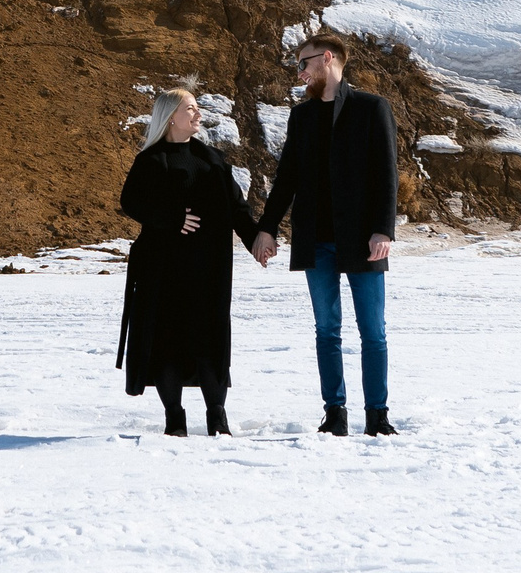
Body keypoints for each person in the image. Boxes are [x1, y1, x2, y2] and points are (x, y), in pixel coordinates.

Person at [252, 31, 398, 437]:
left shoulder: (372, 107)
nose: (299, 72)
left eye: (304, 63)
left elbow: (387, 173)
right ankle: (335, 412)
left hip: (363, 238)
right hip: (315, 239)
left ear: (327, 58)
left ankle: (377, 415)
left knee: (373, 331)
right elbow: (286, 178)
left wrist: (383, 230)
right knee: (327, 330)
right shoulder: (302, 116)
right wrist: (267, 228)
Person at [117, 88, 262, 436]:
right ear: (170, 117)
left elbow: (237, 207)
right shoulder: (151, 161)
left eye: (197, 108)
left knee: (211, 342)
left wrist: (256, 240)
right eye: (191, 109)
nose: (198, 114)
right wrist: (172, 218)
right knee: (168, 343)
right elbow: (131, 202)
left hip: (210, 270)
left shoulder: (212, 158)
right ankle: (174, 418)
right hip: (164, 271)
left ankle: (217, 417)